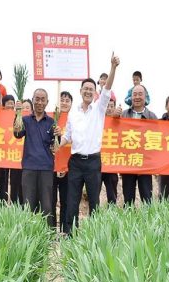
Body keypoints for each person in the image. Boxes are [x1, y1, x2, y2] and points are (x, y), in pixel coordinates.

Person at [58, 52, 120, 233]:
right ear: (80, 91)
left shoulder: (99, 108)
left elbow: (107, 89)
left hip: (93, 162)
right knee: (72, 200)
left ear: (94, 93)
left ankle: (94, 235)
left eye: (91, 89)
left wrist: (113, 68)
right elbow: (67, 136)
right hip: (76, 162)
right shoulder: (73, 113)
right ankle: (70, 233)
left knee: (94, 200)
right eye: (85, 88)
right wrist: (58, 144)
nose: (87, 91)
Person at [13, 89, 60, 226]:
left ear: (47, 102)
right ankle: (29, 234)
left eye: (42, 99)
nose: (39, 102)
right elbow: (17, 134)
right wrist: (17, 114)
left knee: (47, 205)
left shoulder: (51, 122)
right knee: (28, 204)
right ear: (32, 100)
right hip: (29, 167)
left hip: (46, 168)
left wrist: (58, 135)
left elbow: (55, 145)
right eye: (37, 99)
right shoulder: (26, 120)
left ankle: (48, 234)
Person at [114, 84, 157, 206]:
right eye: (134, 94)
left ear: (145, 96)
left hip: (145, 163)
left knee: (147, 199)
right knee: (128, 199)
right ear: (131, 97)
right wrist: (113, 117)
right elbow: (113, 133)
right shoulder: (123, 115)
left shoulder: (152, 117)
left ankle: (148, 219)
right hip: (128, 162)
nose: (137, 97)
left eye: (140, 94)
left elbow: (158, 140)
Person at [52, 91, 73, 231]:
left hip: (69, 167)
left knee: (66, 201)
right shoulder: (52, 118)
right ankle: (51, 230)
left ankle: (65, 230)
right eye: (62, 100)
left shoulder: (74, 119)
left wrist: (63, 136)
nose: (64, 103)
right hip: (52, 167)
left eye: (67, 100)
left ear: (71, 104)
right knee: (51, 200)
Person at [101, 92, 119, 204]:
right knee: (94, 193)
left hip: (112, 164)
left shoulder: (119, 122)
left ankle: (111, 212)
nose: (109, 108)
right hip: (98, 163)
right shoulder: (97, 120)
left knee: (112, 194)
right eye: (107, 106)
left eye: (112, 106)